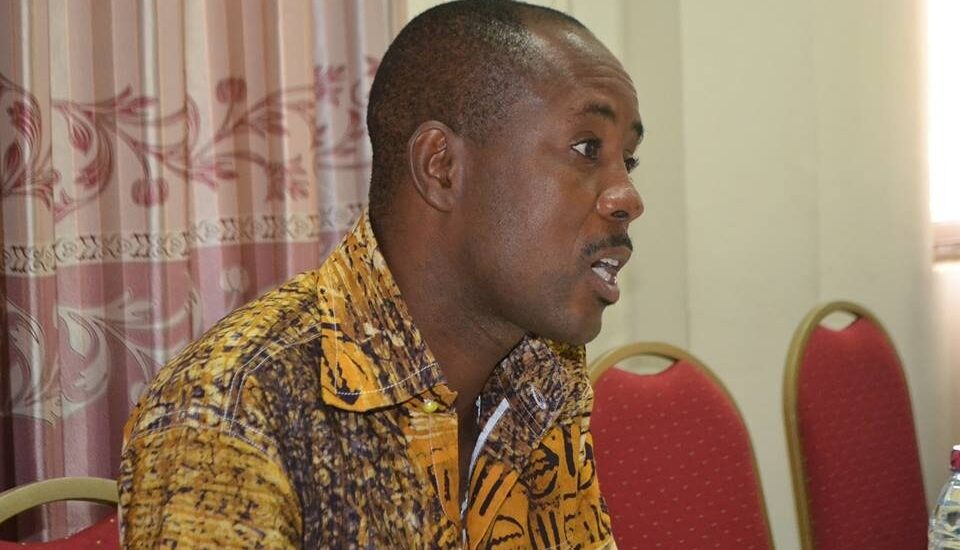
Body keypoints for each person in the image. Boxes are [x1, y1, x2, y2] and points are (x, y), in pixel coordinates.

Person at [118, 0, 644, 548]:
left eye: (627, 161)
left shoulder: (544, 370)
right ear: (441, 167)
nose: (629, 197)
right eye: (587, 148)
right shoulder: (231, 410)